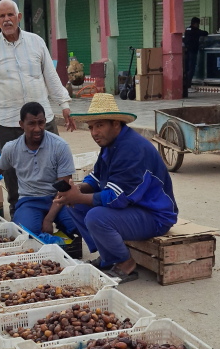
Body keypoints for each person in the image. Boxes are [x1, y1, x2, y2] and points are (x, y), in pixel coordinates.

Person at [52, 92, 178, 282]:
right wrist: (76, 189)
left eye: (100, 125)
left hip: (155, 215)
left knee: (96, 216)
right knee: (76, 206)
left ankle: (126, 264)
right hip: (133, 209)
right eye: (92, 127)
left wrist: (77, 196)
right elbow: (95, 179)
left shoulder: (132, 149)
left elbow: (116, 198)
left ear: (116, 124)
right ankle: (108, 257)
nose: (94, 132)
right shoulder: (111, 145)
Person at [0, 0, 75, 217]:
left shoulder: (36, 42)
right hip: (8, 122)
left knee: (54, 165)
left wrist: (64, 105)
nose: (7, 20)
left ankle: (60, 210)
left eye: (10, 15)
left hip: (41, 118)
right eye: (2, 16)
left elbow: (51, 76)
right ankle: (20, 213)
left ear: (18, 17)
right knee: (11, 171)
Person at [0, 101, 80, 243]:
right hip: (30, 201)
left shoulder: (60, 146)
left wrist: (49, 219)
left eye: (41, 123)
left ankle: (58, 237)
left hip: (57, 199)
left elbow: (64, 186)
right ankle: (54, 240)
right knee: (23, 234)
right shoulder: (12, 148)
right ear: (21, 124)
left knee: (79, 226)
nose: (37, 128)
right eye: (31, 124)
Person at [182, 17, 208, 98]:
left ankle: (185, 85)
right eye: (198, 24)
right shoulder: (195, 30)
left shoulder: (187, 29)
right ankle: (188, 86)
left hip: (186, 52)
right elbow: (205, 33)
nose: (198, 25)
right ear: (196, 23)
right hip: (192, 52)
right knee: (191, 68)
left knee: (186, 69)